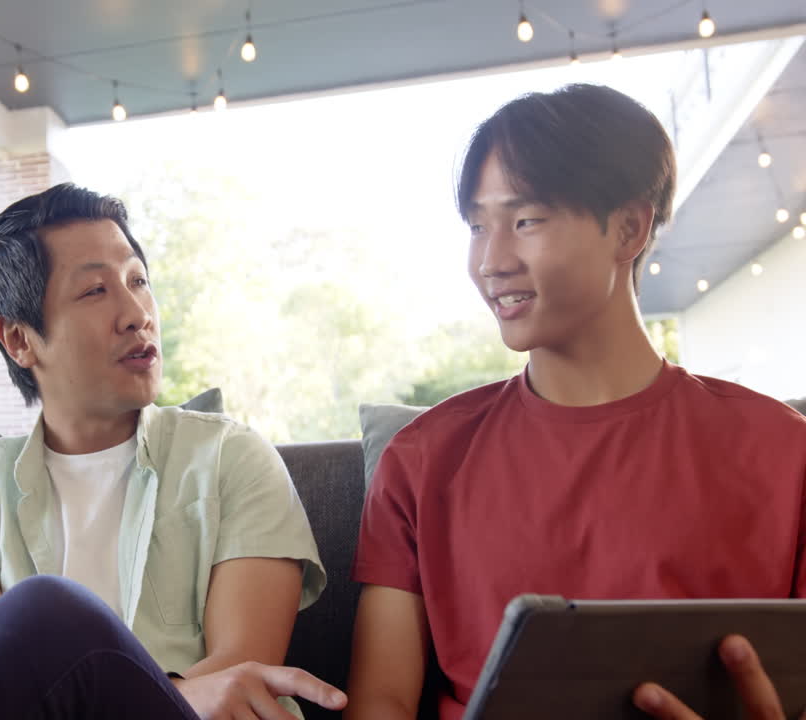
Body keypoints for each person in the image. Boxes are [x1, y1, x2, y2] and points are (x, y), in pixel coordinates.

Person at [345, 83, 806, 719]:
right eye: (478, 226)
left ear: (628, 227)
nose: (491, 260)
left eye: (525, 220)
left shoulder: (784, 452)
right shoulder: (424, 460)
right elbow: (382, 706)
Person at [0, 183, 347, 720]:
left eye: (138, 281)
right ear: (18, 339)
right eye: (95, 292)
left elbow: (238, 681)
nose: (136, 314)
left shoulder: (232, 458)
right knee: (38, 614)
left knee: (44, 610)